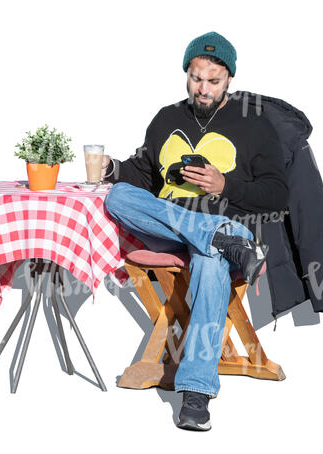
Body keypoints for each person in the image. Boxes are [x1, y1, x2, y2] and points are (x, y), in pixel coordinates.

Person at [100, 31, 288, 431]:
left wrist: (225, 186)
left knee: (209, 263)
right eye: (196, 78)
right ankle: (219, 235)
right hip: (170, 227)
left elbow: (277, 193)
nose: (202, 88)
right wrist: (113, 170)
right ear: (187, 73)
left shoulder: (256, 125)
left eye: (213, 80)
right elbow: (143, 174)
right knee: (117, 197)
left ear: (229, 79)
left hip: (226, 226)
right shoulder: (166, 118)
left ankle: (196, 392)